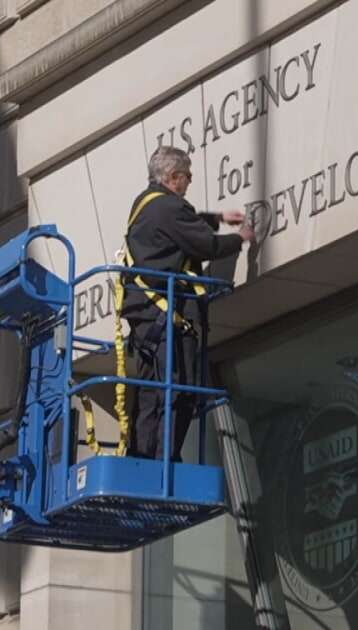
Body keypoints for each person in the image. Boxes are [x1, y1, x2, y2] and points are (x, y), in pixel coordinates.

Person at [123, 146, 256, 460]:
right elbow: (204, 244)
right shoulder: (169, 208)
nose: (189, 182)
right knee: (176, 391)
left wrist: (217, 217)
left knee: (151, 393)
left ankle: (145, 459)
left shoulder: (145, 205)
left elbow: (180, 225)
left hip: (147, 318)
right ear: (172, 177)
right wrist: (240, 238)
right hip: (167, 319)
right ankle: (163, 461)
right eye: (187, 177)